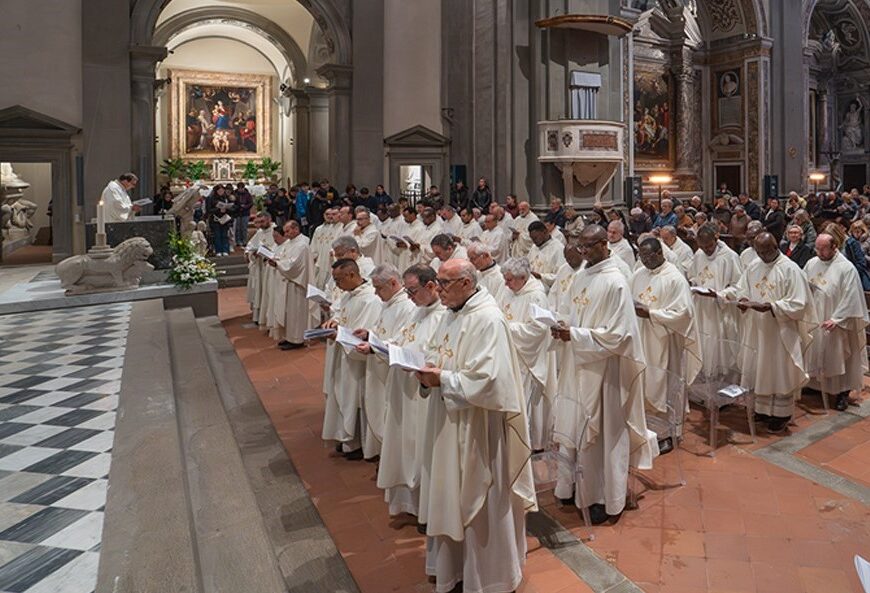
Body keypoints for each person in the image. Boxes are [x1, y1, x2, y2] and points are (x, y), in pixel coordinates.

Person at [415, 259, 536, 593]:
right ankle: (453, 570)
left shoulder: (488, 319)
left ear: (466, 283)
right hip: (448, 422)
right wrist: (425, 373)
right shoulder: (450, 313)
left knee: (479, 503)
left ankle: (489, 578)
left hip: (478, 428)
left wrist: (443, 379)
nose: (437, 289)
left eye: (444, 283)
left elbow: (491, 382)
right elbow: (438, 354)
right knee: (448, 492)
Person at [550, 225, 655, 524]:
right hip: (577, 365)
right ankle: (571, 486)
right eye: (579, 247)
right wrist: (560, 325)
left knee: (604, 436)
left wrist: (577, 335)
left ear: (603, 244)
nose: (581, 253)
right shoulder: (581, 276)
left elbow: (620, 336)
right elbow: (569, 311)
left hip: (605, 372)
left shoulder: (616, 282)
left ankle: (604, 498)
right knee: (575, 426)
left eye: (586, 247)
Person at [377, 264, 446, 519]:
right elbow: (401, 338)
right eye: (406, 291)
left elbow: (438, 355)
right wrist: (381, 345)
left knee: (419, 448)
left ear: (431, 286)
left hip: (422, 394)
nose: (409, 297)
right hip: (403, 390)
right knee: (403, 445)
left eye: (413, 291)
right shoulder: (416, 311)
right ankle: (407, 502)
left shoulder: (442, 316)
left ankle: (425, 508)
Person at [732, 232, 817, 432]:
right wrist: (743, 300)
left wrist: (771, 307)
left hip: (781, 330)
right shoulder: (754, 266)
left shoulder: (790, 269)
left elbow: (799, 303)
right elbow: (741, 288)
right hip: (757, 328)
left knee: (779, 369)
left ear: (776, 246)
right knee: (759, 367)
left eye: (765, 252)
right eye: (759, 252)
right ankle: (761, 409)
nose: (762, 256)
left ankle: (781, 413)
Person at [631, 237, 701, 453]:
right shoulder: (638, 275)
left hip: (665, 341)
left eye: (647, 256)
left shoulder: (674, 278)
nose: (643, 261)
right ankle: (647, 430)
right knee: (644, 384)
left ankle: (668, 433)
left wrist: (651, 313)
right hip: (643, 338)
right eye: (641, 257)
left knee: (664, 386)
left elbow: (684, 313)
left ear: (659, 254)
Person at [352, 264, 416, 460]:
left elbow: (402, 341)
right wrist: (369, 335)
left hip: (390, 370)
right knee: (379, 410)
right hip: (379, 364)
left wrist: (374, 347)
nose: (376, 293)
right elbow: (383, 331)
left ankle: (390, 457)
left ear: (394, 283)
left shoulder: (407, 306)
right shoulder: (389, 303)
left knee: (389, 414)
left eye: (379, 288)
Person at [321, 258, 382, 459]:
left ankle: (361, 443)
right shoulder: (349, 295)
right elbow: (339, 311)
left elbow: (362, 333)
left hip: (358, 360)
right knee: (344, 396)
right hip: (344, 354)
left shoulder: (370, 299)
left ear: (352, 275)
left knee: (358, 399)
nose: (337, 284)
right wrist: (334, 321)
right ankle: (348, 439)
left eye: (339, 280)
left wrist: (340, 333)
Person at [805, 233, 869, 411]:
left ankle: (842, 392)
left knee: (841, 356)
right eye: (817, 248)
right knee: (818, 352)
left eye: (823, 248)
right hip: (817, 317)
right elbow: (803, 284)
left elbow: (852, 296)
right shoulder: (811, 263)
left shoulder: (846, 268)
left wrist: (837, 319)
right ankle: (817, 386)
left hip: (838, 321)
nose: (819, 252)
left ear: (834, 247)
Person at [499, 257, 556, 451]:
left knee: (527, 404)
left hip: (528, 359)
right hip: (509, 354)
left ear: (523, 277)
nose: (506, 284)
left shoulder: (536, 295)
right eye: (505, 280)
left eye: (510, 280)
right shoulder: (508, 290)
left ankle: (529, 444)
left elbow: (538, 330)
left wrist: (506, 328)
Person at [688, 224, 743, 377]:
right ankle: (705, 374)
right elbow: (693, 276)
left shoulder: (730, 256)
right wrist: (694, 285)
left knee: (720, 345)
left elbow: (739, 286)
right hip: (702, 307)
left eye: (709, 245)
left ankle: (723, 376)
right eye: (703, 246)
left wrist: (720, 294)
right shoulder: (699, 254)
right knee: (703, 342)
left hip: (721, 308)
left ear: (716, 238)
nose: (707, 250)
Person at [270, 221, 317, 350]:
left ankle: (297, 339)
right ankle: (288, 337)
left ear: (296, 229)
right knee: (288, 312)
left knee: (295, 313)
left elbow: (294, 266)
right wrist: (275, 260)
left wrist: (278, 264)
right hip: (287, 283)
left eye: (287, 231)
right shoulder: (290, 243)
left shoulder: (302, 245)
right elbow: (282, 257)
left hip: (297, 285)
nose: (285, 234)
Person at [245, 213, 276, 323]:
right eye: (258, 222)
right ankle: (258, 316)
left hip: (270, 267)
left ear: (269, 220)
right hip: (259, 268)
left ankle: (268, 317)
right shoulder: (259, 232)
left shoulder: (275, 231)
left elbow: (279, 248)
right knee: (259, 291)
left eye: (262, 222)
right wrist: (250, 253)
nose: (260, 225)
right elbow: (250, 246)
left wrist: (265, 253)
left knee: (268, 291)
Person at [527, 221, 566, 291]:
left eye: (535, 238)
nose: (534, 241)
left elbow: (562, 276)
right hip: (531, 287)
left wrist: (541, 276)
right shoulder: (534, 247)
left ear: (545, 232)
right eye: (532, 238)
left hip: (548, 290)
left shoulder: (558, 249)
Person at [206, 184, 234, 256]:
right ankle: (218, 250)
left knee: (224, 235)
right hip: (215, 219)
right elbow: (209, 210)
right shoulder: (211, 198)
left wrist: (227, 208)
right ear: (216, 191)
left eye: (222, 190)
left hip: (225, 219)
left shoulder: (226, 198)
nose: (221, 192)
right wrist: (218, 209)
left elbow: (233, 208)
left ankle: (225, 250)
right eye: (219, 190)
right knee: (217, 235)